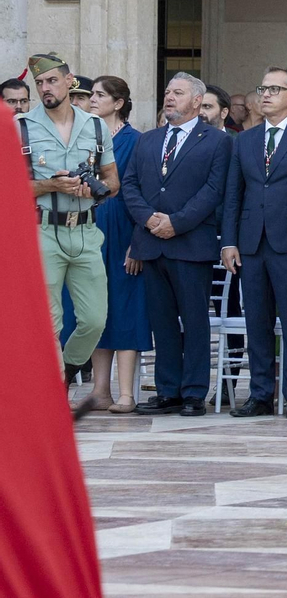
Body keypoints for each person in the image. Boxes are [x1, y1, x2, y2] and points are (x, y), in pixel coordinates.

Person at [121, 73, 231, 417]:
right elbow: (130, 185)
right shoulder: (149, 140)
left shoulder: (216, 141)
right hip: (152, 243)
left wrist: (177, 222)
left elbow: (214, 190)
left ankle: (194, 392)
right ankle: (167, 390)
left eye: (178, 93)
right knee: (162, 320)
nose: (169, 97)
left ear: (197, 101)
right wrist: (150, 219)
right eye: (168, 92)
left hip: (190, 244)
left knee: (195, 320)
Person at [222, 67, 287, 419]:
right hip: (252, 243)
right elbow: (233, 195)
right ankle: (260, 394)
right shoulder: (246, 139)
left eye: (273, 89)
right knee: (257, 321)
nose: (264, 94)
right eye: (262, 88)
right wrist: (229, 241)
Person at [23, 52, 121, 384]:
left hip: (85, 231)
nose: (46, 88)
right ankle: (52, 388)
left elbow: (113, 182)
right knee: (49, 322)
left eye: (52, 80)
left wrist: (92, 191)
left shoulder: (94, 127)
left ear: (69, 81)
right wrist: (50, 184)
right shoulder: (20, 128)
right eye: (39, 83)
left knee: (95, 319)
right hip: (42, 231)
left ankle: (67, 369)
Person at [84, 76, 147, 413]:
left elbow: (142, 194)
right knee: (95, 309)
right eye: (91, 94)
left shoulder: (136, 141)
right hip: (90, 231)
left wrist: (138, 242)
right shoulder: (86, 137)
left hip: (124, 230)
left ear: (119, 102)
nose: (92, 99)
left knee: (126, 307)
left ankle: (126, 393)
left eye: (99, 95)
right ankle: (99, 390)